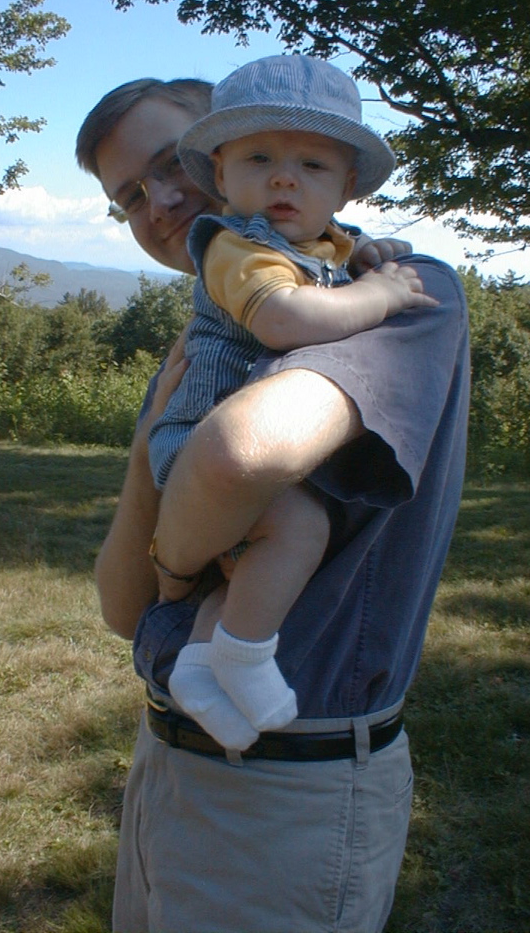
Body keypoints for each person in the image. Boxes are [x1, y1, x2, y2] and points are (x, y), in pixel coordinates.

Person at [77, 56, 470, 933]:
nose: (159, 204)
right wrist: (151, 449)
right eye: (128, 196)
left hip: (291, 788)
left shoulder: (402, 294)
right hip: (167, 761)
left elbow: (240, 458)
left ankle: (231, 656)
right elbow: (116, 604)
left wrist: (175, 571)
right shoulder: (201, 344)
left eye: (168, 164)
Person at [145, 56, 438, 752]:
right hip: (203, 436)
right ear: (219, 177)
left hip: (253, 438)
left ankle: (198, 665)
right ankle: (244, 655)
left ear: (344, 187)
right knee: (297, 531)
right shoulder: (233, 245)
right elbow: (281, 318)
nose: (283, 176)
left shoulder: (328, 243)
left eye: (312, 166)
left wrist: (375, 255)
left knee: (253, 562)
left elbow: (346, 254)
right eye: (259, 157)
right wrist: (381, 295)